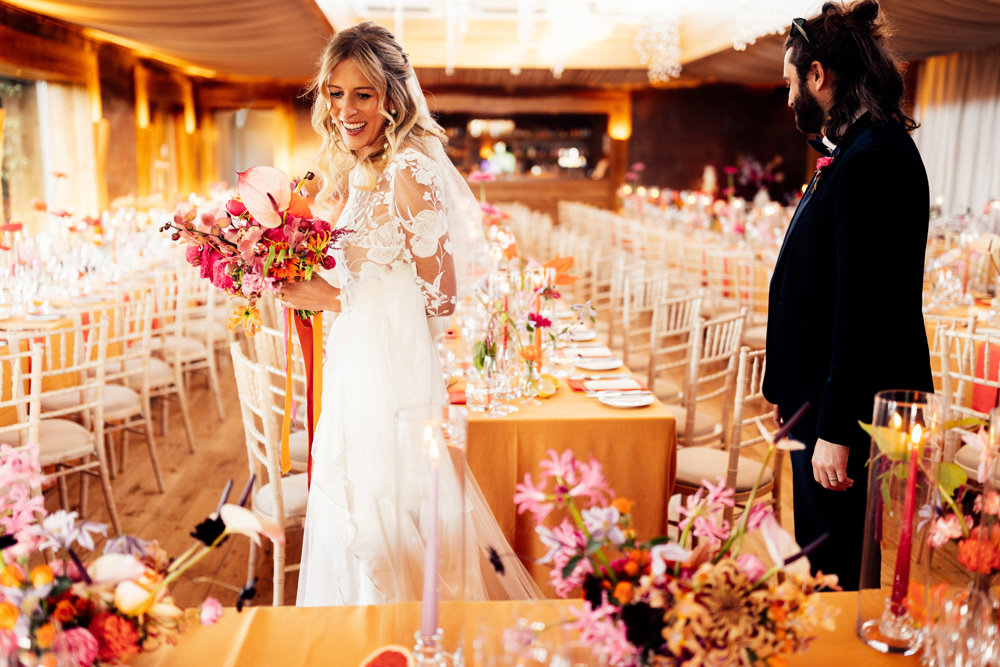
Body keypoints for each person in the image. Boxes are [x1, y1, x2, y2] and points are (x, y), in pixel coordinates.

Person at [281, 21, 540, 606]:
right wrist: (304, 276)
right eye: (337, 94)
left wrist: (332, 297)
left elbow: (440, 299)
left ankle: (404, 636)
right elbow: (373, 270)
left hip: (393, 378)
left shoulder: (410, 168)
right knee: (356, 506)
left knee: (391, 513)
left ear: (394, 98)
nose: (347, 109)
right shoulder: (365, 169)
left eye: (363, 94)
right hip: (359, 364)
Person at [762, 0, 933, 590]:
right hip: (814, 398)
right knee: (818, 556)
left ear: (817, 75)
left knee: (834, 569)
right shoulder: (860, 148)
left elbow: (863, 309)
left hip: (841, 411)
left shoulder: (874, 159)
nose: (788, 98)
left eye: (790, 80)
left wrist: (834, 429)